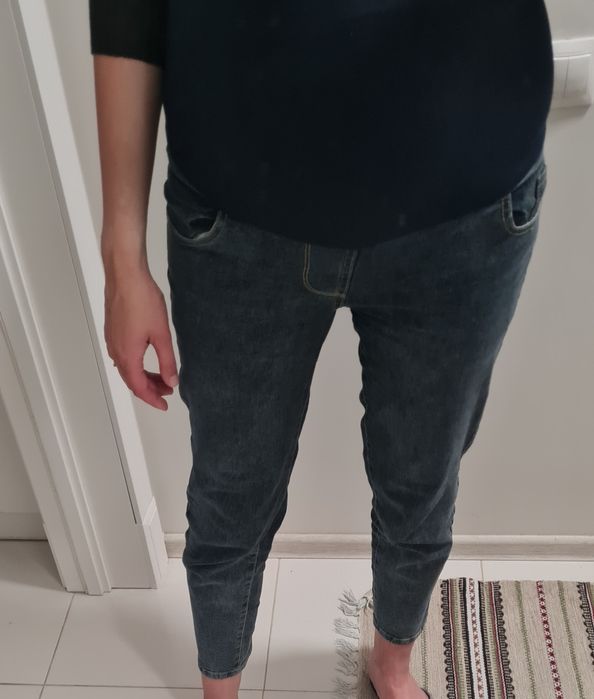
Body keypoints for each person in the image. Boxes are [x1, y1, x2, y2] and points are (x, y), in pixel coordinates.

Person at [89, 1, 553, 697]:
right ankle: (221, 689)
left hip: (467, 200)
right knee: (231, 493)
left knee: (421, 482)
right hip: (237, 206)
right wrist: (122, 256)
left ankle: (391, 664)